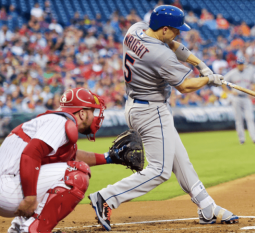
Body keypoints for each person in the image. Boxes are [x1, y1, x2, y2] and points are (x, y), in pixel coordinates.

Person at [89, 5, 238, 231]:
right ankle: (106, 197)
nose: (179, 33)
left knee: (180, 159)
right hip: (151, 111)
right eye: (176, 29)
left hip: (136, 105)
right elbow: (186, 86)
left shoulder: (135, 30)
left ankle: (207, 207)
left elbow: (173, 45)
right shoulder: (160, 55)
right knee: (159, 171)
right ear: (165, 29)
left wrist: (201, 65)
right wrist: (210, 79)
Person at [0, 88, 115, 232]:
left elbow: (72, 156)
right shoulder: (59, 122)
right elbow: (30, 155)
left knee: (58, 172)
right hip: (6, 188)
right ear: (83, 113)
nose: (95, 117)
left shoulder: (54, 121)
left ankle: (19, 229)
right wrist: (30, 198)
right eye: (92, 111)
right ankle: (33, 230)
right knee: (77, 173)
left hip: (7, 186)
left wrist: (109, 157)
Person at [223, 57, 255, 144]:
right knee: (239, 119)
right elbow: (223, 82)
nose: (241, 66)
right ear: (237, 64)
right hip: (236, 98)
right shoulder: (232, 73)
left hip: (246, 97)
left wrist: (253, 91)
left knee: (250, 118)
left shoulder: (249, 72)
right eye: (239, 64)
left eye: (242, 64)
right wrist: (229, 92)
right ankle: (242, 139)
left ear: (244, 64)